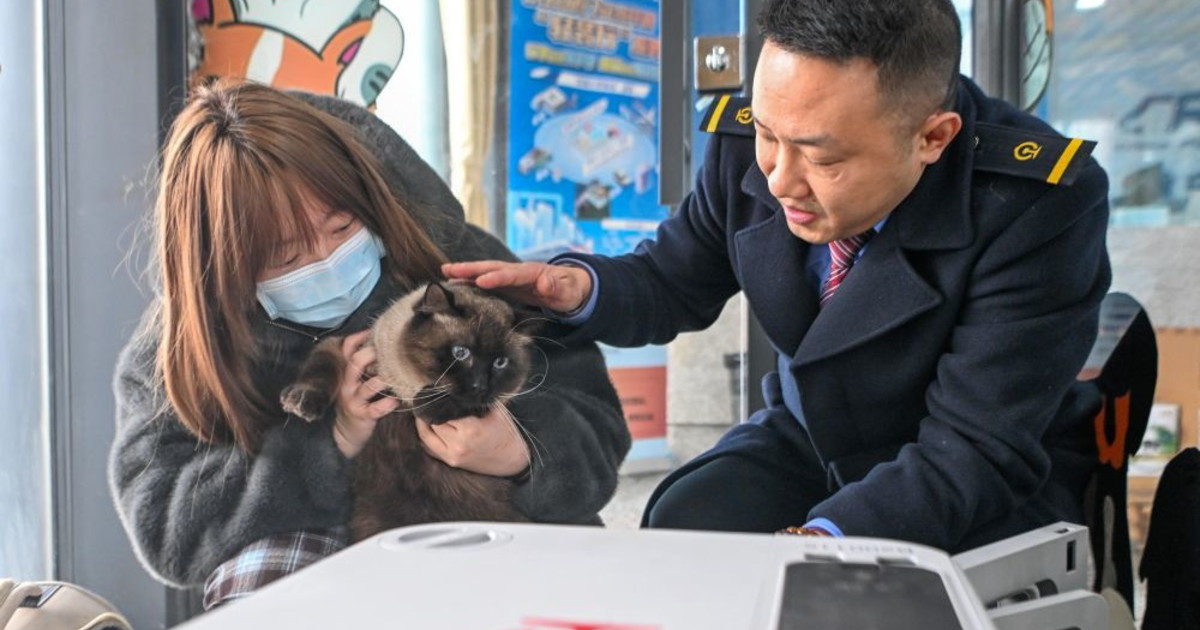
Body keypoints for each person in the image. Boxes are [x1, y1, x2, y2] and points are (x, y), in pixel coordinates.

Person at [444, 0, 1111, 553]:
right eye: (769, 136)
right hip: (813, 434)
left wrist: (820, 543)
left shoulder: (1037, 202)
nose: (780, 180)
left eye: (823, 159)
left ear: (932, 138)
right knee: (686, 525)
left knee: (847, 601)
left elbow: (976, 446)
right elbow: (675, 278)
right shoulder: (759, 138)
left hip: (968, 467)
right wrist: (579, 289)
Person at [108, 80, 630, 608]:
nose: (326, 260)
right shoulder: (178, 353)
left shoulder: (457, 265)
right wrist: (323, 446)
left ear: (368, 197)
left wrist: (520, 453)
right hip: (316, 561)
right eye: (286, 257)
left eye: (342, 226)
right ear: (225, 266)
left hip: (501, 530)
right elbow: (168, 532)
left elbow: (598, 431)